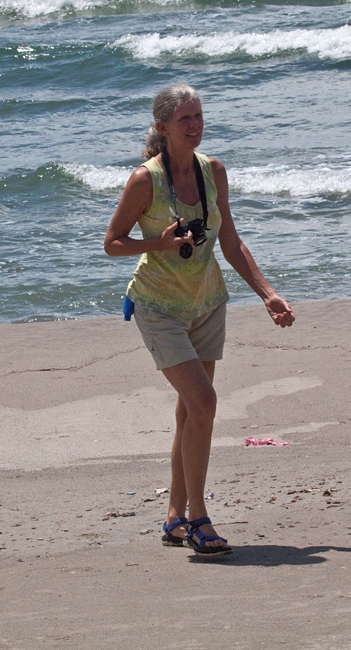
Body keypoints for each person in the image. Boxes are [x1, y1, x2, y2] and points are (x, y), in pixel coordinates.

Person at [104, 84, 295, 556]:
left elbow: (230, 242)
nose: (195, 124)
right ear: (162, 126)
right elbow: (113, 242)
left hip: (207, 303)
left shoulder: (214, 172)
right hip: (158, 307)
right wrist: (160, 244)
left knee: (191, 411)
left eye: (199, 115)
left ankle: (174, 517)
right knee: (205, 402)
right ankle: (198, 518)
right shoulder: (145, 181)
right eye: (184, 118)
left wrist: (268, 294)